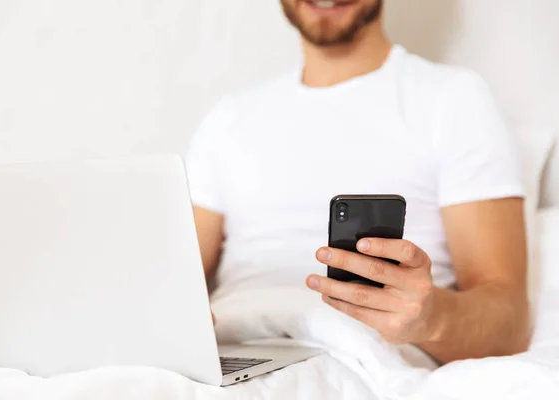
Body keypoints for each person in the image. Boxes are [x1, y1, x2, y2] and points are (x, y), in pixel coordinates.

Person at [186, 0, 530, 363]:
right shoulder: (228, 119)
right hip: (225, 353)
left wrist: (431, 319)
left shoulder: (452, 99)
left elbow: (509, 325)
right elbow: (173, 277)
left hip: (353, 356)